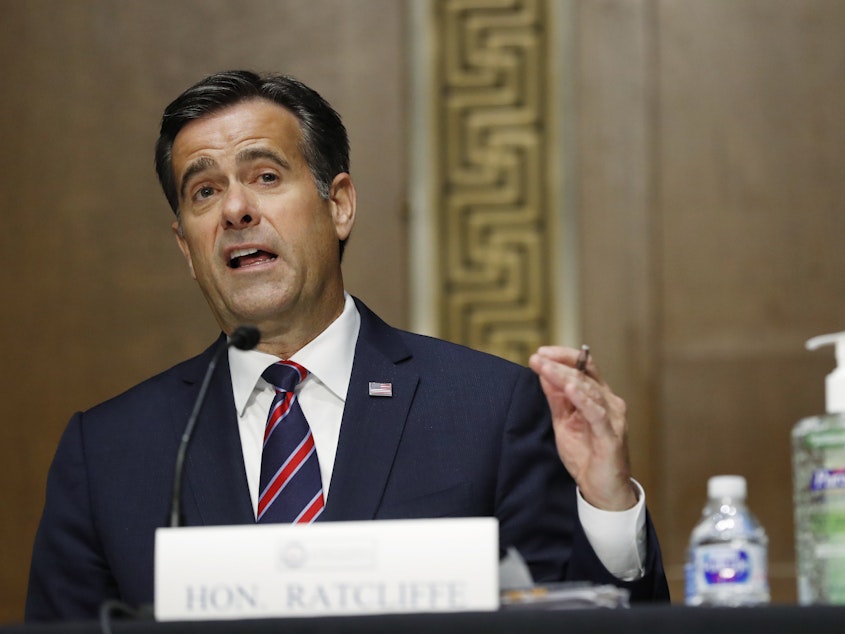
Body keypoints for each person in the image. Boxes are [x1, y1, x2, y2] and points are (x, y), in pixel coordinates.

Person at [25, 70, 669, 621]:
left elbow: (578, 621)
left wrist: (608, 507)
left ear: (339, 205)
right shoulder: (107, 452)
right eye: (205, 191)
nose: (236, 210)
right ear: (186, 248)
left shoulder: (488, 410)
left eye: (267, 175)